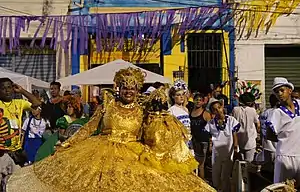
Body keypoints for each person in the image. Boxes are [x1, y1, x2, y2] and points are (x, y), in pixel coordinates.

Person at [7, 67, 216, 192]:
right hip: (100, 152)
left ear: (137, 90)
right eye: (125, 87)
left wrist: (158, 117)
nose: (128, 91)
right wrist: (68, 143)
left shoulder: (144, 109)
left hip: (133, 156)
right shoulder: (107, 103)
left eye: (132, 88)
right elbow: (89, 127)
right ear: (119, 88)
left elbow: (154, 136)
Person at [265, 77, 300, 187]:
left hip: (299, 154)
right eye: (276, 92)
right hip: (284, 156)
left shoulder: (299, 104)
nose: (279, 94)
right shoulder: (276, 113)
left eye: (282, 90)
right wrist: (285, 138)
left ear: (290, 90)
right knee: (282, 187)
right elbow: (269, 135)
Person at [0, 78, 41, 166]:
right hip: (2, 152)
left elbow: (37, 103)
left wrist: (22, 91)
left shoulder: (19, 103)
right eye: (3, 88)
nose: (7, 91)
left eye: (9, 87)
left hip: (17, 151)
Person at [205, 98, 240, 192]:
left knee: (226, 174)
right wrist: (210, 145)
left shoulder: (231, 120)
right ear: (212, 111)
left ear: (222, 107)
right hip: (216, 152)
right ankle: (216, 189)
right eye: (215, 109)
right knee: (216, 173)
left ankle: (225, 190)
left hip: (228, 150)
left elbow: (234, 134)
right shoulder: (211, 123)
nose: (218, 111)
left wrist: (236, 147)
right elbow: (209, 136)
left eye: (219, 108)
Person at [232, 92, 260, 162]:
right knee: (249, 163)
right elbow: (258, 124)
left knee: (239, 163)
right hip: (250, 140)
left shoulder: (235, 110)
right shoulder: (252, 110)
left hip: (238, 140)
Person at [190, 93, 212, 179]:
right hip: (193, 140)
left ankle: (202, 184)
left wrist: (210, 143)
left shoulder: (206, 114)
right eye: (196, 100)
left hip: (203, 141)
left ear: (203, 102)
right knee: (193, 164)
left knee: (201, 165)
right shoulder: (191, 111)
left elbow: (211, 129)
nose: (198, 101)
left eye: (200, 100)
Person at [168, 80, 192, 152]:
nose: (181, 97)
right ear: (173, 96)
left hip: (188, 139)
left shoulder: (186, 109)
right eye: (178, 95)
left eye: (182, 95)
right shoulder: (171, 110)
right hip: (178, 141)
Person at [259, 94, 278, 172]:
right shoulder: (277, 112)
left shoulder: (264, 112)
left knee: (267, 166)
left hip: (266, 143)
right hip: (275, 145)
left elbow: (260, 127)